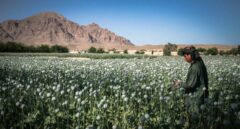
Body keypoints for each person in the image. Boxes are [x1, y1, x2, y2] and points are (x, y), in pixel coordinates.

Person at [175, 46, 209, 112]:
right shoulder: (200, 62)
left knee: (194, 117)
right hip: (202, 95)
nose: (184, 59)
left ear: (190, 55)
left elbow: (190, 85)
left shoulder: (195, 67)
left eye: (185, 56)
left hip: (195, 98)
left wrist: (179, 83)